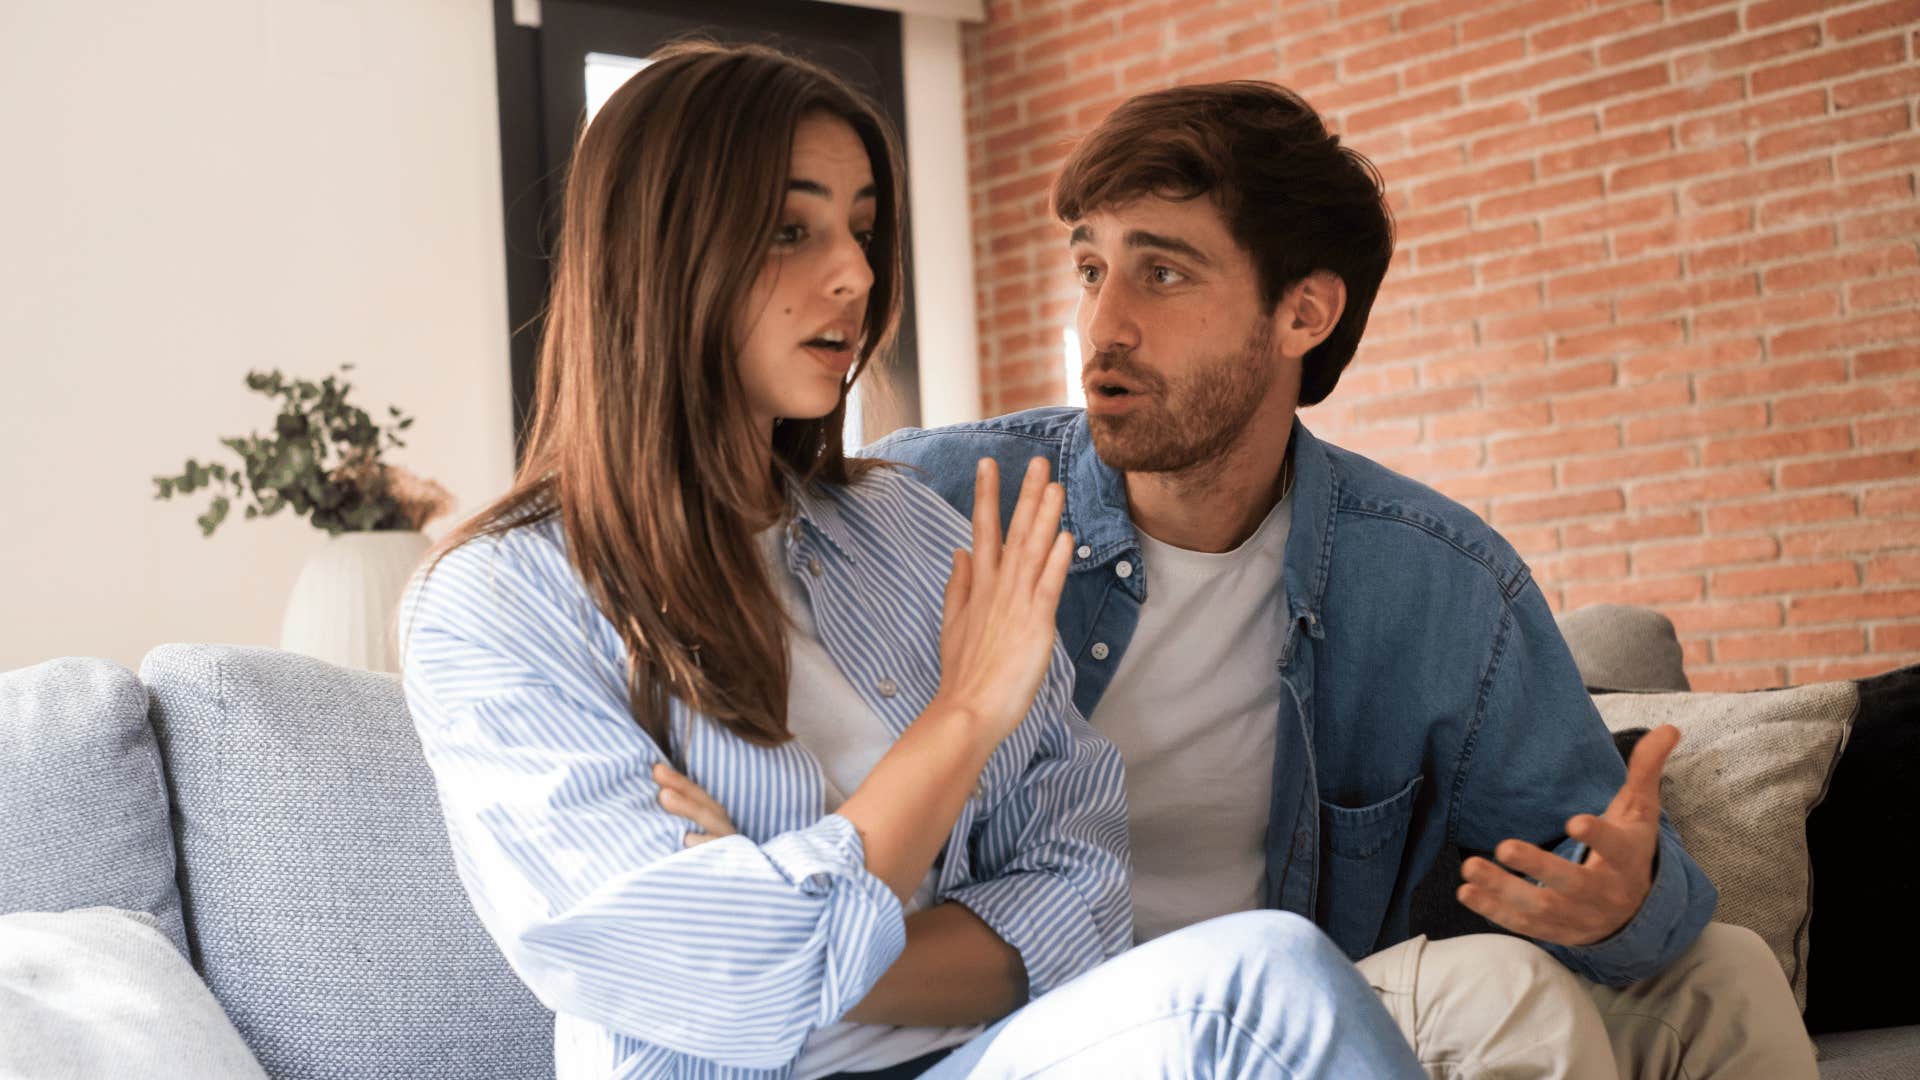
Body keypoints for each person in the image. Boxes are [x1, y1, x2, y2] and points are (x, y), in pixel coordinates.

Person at [400, 45, 1422, 1080]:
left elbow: (1080, 885)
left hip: (989, 1057)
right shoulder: (495, 602)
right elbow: (714, 981)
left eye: (861, 228)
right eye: (790, 229)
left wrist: (795, 919)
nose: (852, 273)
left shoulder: (904, 527)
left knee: (1276, 982)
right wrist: (962, 717)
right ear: (660, 252)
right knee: (1261, 994)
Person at [869, 82, 1820, 1079]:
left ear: (1305, 314)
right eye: (1092, 268)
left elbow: (1581, 850)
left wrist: (1620, 900)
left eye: (1162, 274)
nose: (1103, 324)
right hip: (1019, 1036)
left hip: (1284, 1021)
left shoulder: (1431, 579)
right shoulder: (937, 498)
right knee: (1501, 999)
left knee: (1726, 975)